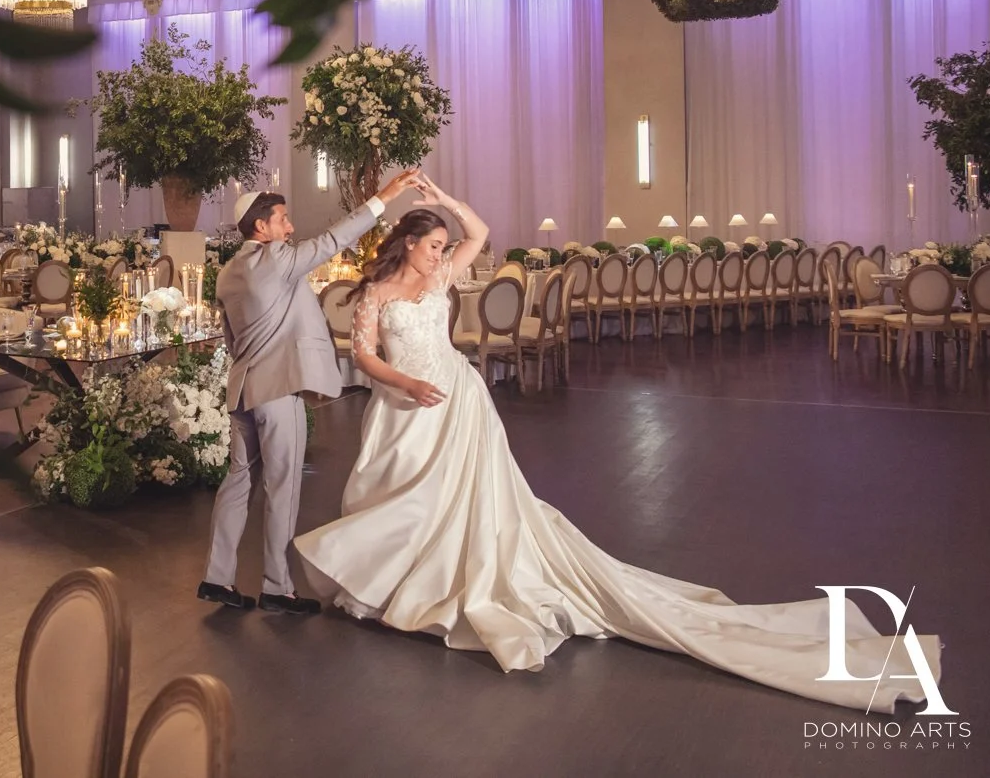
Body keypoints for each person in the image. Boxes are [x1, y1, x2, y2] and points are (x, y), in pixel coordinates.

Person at [293, 170, 942, 711]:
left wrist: (444, 202)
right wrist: (402, 380)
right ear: (407, 247)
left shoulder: (438, 280)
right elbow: (363, 354)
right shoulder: (378, 291)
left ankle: (435, 587)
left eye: (441, 244)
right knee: (403, 498)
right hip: (406, 402)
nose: (441, 253)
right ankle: (391, 588)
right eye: (432, 244)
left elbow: (483, 234)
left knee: (458, 502)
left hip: (458, 400)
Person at [198, 169, 422, 614]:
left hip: (242, 391)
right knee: (284, 487)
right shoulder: (277, 259)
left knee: (238, 483)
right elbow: (333, 240)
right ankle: (278, 586)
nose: (290, 227)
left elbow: (230, 338)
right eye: (283, 219)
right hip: (278, 390)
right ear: (261, 227)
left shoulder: (227, 273)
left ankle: (216, 578)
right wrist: (383, 198)